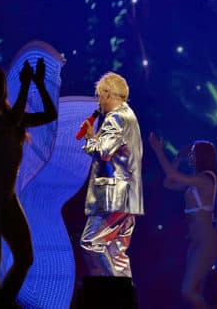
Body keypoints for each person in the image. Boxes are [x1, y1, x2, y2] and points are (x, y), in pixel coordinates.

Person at [0, 59, 58, 306]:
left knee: (25, 256)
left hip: (7, 198)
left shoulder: (11, 114)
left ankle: (0, 303)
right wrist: (27, 84)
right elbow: (10, 122)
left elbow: (49, 115)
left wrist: (39, 84)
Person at [79, 72, 143, 279]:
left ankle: (112, 294)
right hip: (127, 197)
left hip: (113, 197)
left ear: (107, 93)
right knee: (117, 253)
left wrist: (90, 139)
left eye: (99, 96)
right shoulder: (129, 116)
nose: (99, 102)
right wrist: (98, 137)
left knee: (91, 242)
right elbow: (115, 150)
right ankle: (125, 299)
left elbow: (103, 152)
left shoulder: (116, 117)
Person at [148, 134, 217, 309]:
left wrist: (159, 151)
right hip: (195, 242)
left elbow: (172, 175)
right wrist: (178, 159)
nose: (190, 157)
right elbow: (168, 182)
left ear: (202, 156)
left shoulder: (207, 179)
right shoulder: (197, 180)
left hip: (207, 241)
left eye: (193, 154)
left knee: (188, 290)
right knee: (196, 290)